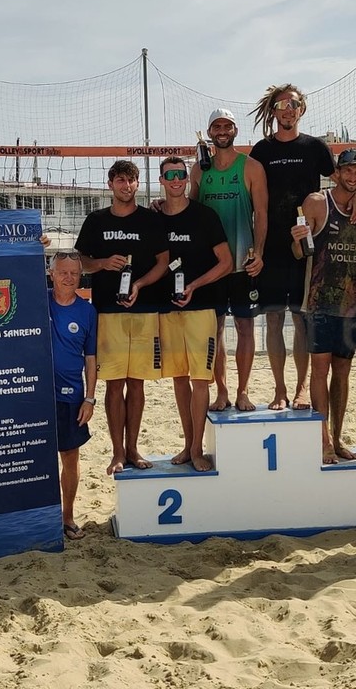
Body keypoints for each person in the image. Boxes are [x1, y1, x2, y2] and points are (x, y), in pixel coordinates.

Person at [250, 84, 351, 410]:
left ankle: (301, 387)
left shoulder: (315, 147)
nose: (288, 109)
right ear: (274, 111)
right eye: (281, 105)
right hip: (272, 244)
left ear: (301, 109)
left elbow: (343, 179)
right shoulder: (261, 151)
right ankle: (279, 389)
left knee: (301, 319)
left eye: (293, 104)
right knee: (274, 319)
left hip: (307, 243)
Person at [75, 159, 168, 475]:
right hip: (108, 312)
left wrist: (139, 285)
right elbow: (81, 261)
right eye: (120, 180)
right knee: (114, 386)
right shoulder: (96, 220)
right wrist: (102, 263)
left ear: (137, 184)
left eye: (131, 180)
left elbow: (163, 262)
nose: (126, 186)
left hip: (143, 310)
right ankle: (117, 452)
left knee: (137, 385)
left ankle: (133, 449)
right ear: (110, 184)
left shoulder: (150, 219)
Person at [290, 148, 356, 464]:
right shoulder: (316, 202)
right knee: (320, 370)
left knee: (343, 373)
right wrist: (297, 238)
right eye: (347, 170)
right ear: (337, 172)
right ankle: (323, 441)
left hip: (352, 304)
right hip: (320, 300)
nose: (352, 176)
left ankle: (337, 438)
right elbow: (299, 253)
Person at [157, 157, 233, 471]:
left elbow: (226, 263)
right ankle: (188, 446)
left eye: (181, 174)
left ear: (187, 179)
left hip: (202, 307)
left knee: (200, 379)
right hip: (167, 309)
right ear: (162, 180)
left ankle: (197, 449)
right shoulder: (154, 217)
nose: (176, 179)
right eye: (170, 175)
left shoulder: (204, 216)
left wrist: (194, 285)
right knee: (179, 378)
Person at [189, 108, 267, 412]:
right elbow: (188, 210)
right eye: (217, 127)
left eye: (227, 126)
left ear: (235, 130)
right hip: (212, 267)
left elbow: (261, 214)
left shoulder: (252, 167)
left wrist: (259, 252)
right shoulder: (199, 170)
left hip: (244, 262)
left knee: (245, 328)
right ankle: (221, 391)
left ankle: (243, 391)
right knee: (216, 331)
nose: (222, 131)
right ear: (209, 132)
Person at [48, 250, 98, 540]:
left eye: (74, 273)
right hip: (37, 395)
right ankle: (42, 518)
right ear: (51, 274)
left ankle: (67, 517)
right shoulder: (37, 301)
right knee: (38, 458)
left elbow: (91, 359)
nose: (69, 278)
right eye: (63, 272)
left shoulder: (87, 311)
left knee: (69, 458)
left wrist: (89, 398)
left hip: (71, 396)